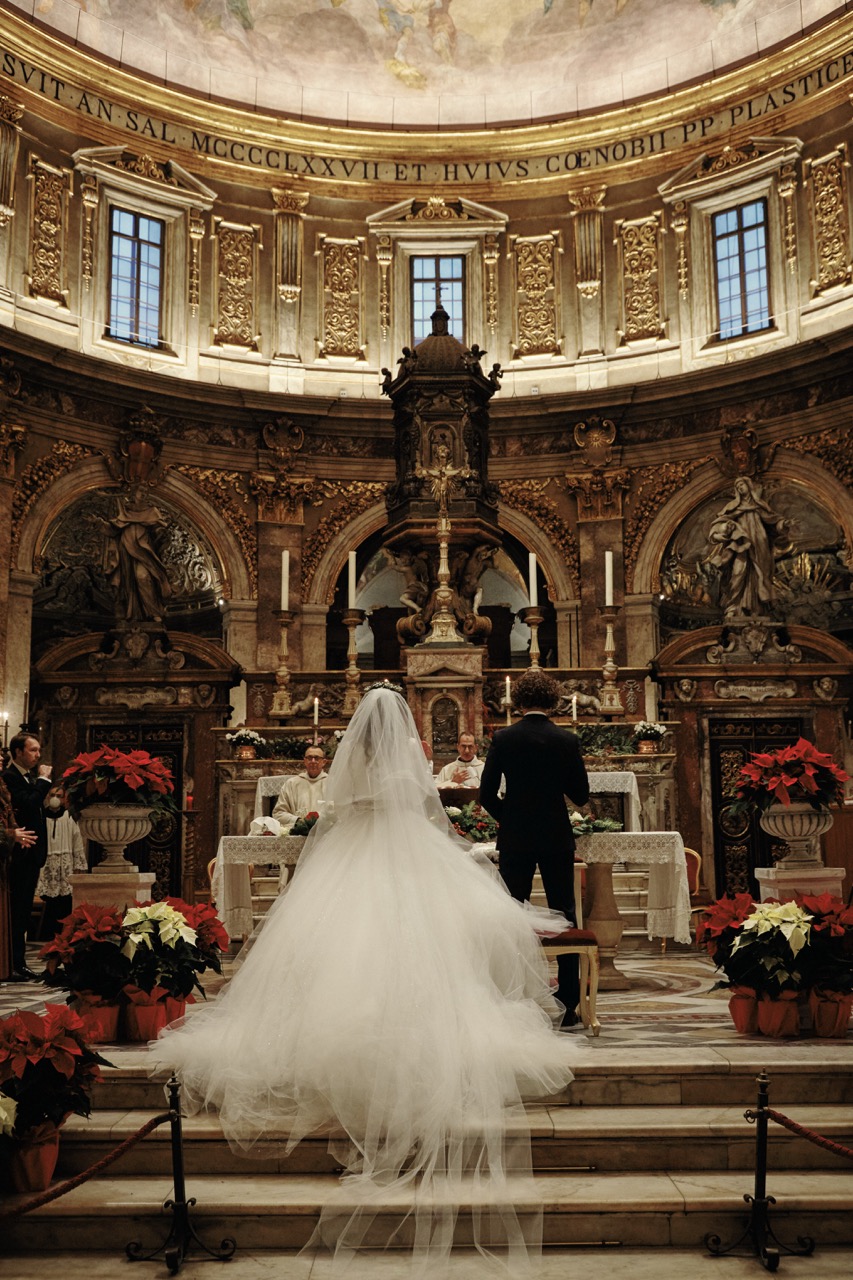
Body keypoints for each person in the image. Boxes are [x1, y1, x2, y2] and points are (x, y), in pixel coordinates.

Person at [150, 682, 580, 1274]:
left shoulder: (350, 771)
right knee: (430, 942)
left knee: (335, 944)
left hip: (351, 861)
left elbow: (336, 812)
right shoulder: (410, 771)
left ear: (358, 735)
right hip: (409, 862)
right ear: (401, 733)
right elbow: (431, 816)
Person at [480, 668, 590, 1028]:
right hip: (556, 835)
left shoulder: (504, 738)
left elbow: (485, 795)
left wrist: (509, 817)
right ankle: (570, 1002)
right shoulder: (566, 740)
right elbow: (581, 795)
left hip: (516, 837)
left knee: (512, 913)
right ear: (553, 700)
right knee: (564, 912)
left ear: (520, 700)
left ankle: (512, 993)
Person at [2, 734, 52, 980]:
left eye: (38, 750)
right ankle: (14, 963)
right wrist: (43, 781)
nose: (38, 755)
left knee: (21, 912)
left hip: (31, 853)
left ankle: (18, 963)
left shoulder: (26, 778)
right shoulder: (9, 777)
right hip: (18, 855)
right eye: (33, 750)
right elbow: (29, 803)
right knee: (17, 912)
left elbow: (36, 809)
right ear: (18, 752)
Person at [35, 786, 87, 941]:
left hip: (65, 867)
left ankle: (63, 938)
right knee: (49, 903)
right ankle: (46, 938)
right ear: (47, 797)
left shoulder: (69, 817)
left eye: (59, 795)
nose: (55, 798)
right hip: (45, 866)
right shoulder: (40, 817)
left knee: (64, 904)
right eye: (52, 794)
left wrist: (78, 866)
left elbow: (77, 841)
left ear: (65, 799)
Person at [271, 745, 328, 830]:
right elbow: (278, 813)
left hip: (324, 833)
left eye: (317, 758)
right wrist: (298, 821)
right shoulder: (291, 784)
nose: (313, 761)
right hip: (298, 832)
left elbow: (339, 812)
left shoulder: (331, 783)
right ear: (304, 761)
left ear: (324, 762)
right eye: (309, 758)